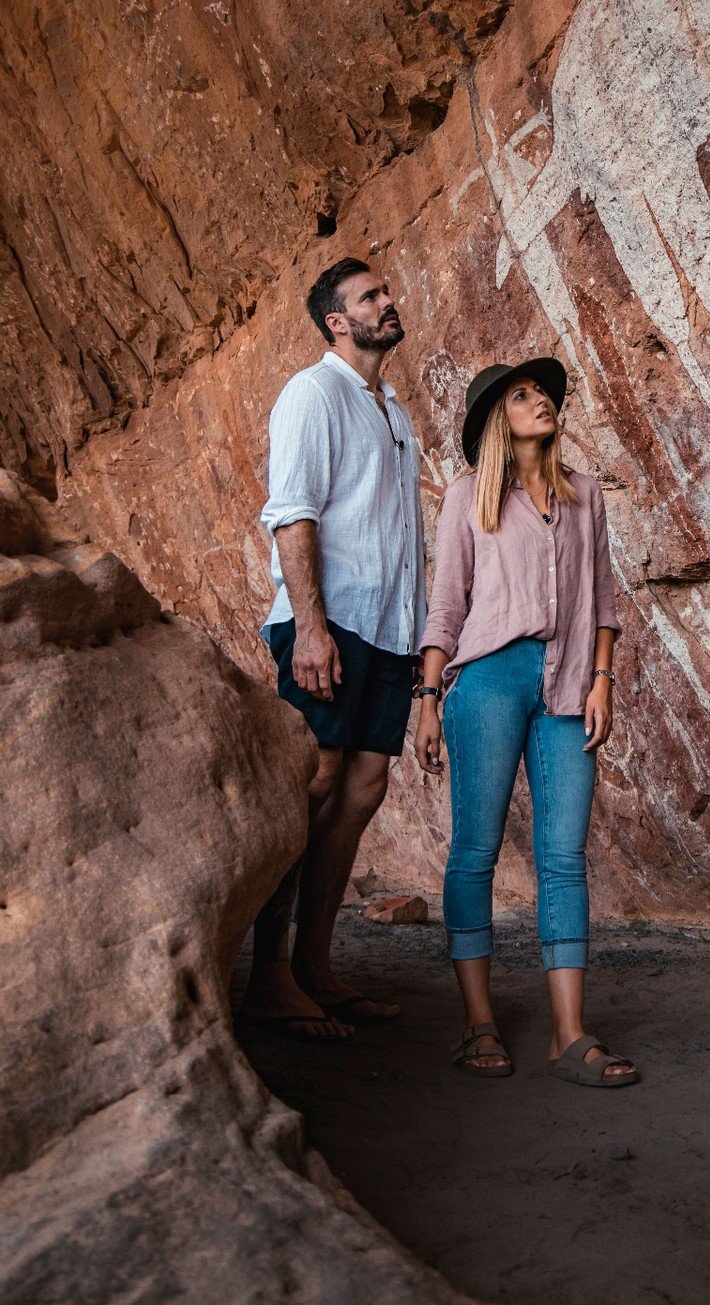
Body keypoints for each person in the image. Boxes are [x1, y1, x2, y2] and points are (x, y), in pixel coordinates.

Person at [414, 359, 639, 1085]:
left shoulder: (584, 495)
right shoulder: (466, 500)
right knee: (475, 849)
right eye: (520, 395)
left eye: (542, 391)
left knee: (565, 855)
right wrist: (426, 696)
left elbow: (603, 600)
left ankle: (568, 1035)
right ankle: (478, 1021)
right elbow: (446, 605)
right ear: (494, 424)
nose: (540, 399)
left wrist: (602, 681)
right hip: (487, 681)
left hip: (570, 684)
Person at [240, 257, 426, 1040]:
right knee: (312, 781)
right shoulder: (312, 393)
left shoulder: (394, 412)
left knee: (362, 789)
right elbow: (293, 514)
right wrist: (311, 627)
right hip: (329, 620)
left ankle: (316, 964)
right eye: (370, 297)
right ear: (336, 323)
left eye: (387, 290)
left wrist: (416, 642)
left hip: (386, 629)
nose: (389, 301)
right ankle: (268, 972)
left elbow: (404, 532)